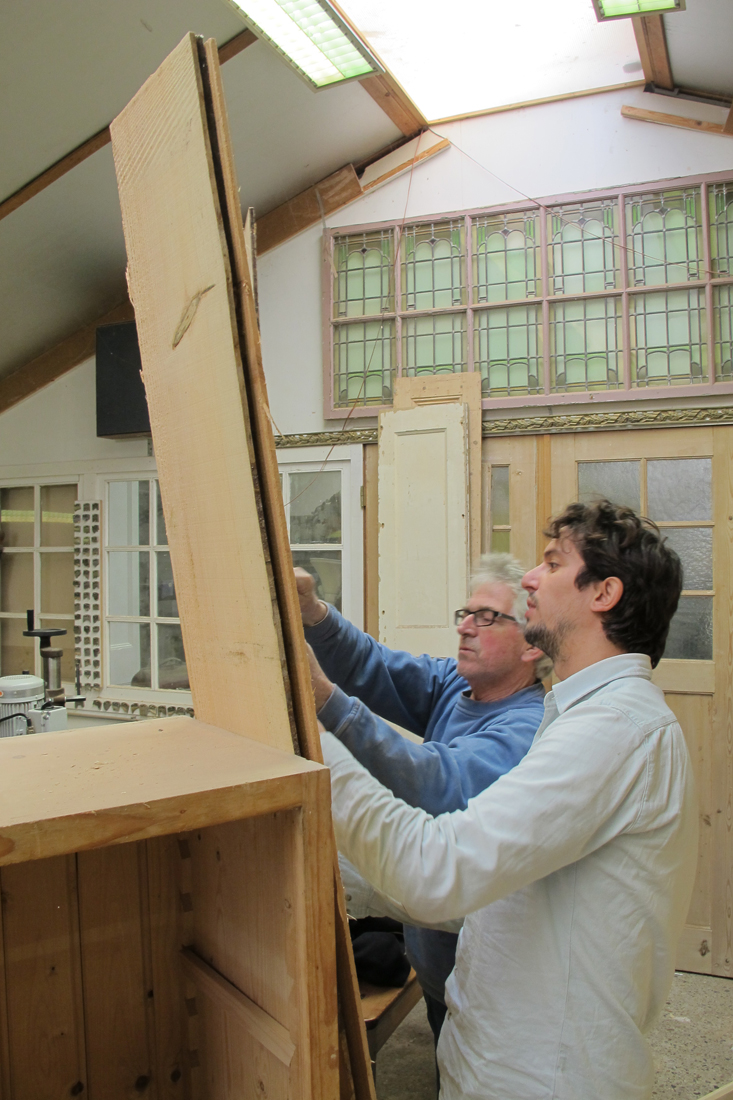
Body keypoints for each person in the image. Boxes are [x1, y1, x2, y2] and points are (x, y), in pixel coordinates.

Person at [318, 500, 698, 1100]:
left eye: (551, 563)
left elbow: (438, 871)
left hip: (541, 1076)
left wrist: (310, 736)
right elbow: (493, 896)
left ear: (603, 593)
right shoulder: (575, 716)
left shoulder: (611, 731)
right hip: (498, 1054)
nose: (529, 578)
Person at [297, 553, 550, 1043]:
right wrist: (315, 614)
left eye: (487, 617)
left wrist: (327, 702)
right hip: (437, 961)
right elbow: (374, 666)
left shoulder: (527, 728)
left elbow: (440, 785)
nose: (466, 628)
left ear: (532, 647)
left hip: (486, 981)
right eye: (466, 614)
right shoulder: (461, 686)